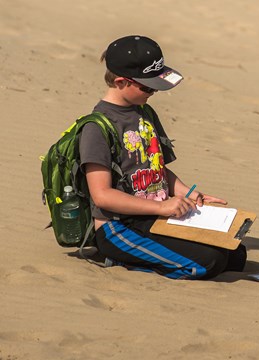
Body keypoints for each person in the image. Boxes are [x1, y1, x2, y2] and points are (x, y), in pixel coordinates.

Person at [79, 35, 246, 279]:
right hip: (119, 228)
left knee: (236, 254)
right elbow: (102, 196)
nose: (155, 91)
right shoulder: (97, 128)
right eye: (148, 86)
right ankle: (117, 260)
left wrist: (185, 192)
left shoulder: (145, 113)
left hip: (155, 216)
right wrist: (160, 206)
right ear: (121, 82)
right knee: (208, 263)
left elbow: (156, 167)